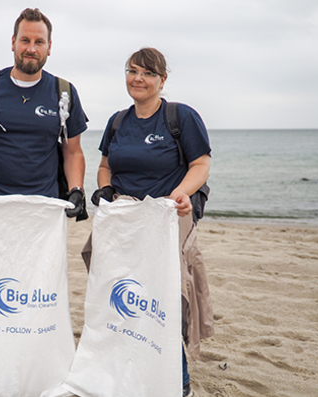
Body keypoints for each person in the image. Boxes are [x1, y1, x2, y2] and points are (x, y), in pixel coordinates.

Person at [0, 7, 89, 362]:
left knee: (38, 289)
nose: (31, 47)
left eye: (38, 41)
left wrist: (76, 190)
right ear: (13, 42)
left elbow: (73, 151)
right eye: (25, 40)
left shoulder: (64, 92)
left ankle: (32, 358)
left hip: (41, 217)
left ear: (49, 46)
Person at [90, 47, 214, 397]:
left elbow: (200, 165)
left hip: (168, 220)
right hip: (126, 223)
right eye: (132, 71)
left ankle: (180, 382)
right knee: (121, 295)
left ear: (162, 79)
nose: (138, 79)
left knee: (163, 299)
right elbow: (105, 167)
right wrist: (105, 190)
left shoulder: (180, 117)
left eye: (147, 73)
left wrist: (179, 195)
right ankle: (127, 368)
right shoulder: (117, 121)